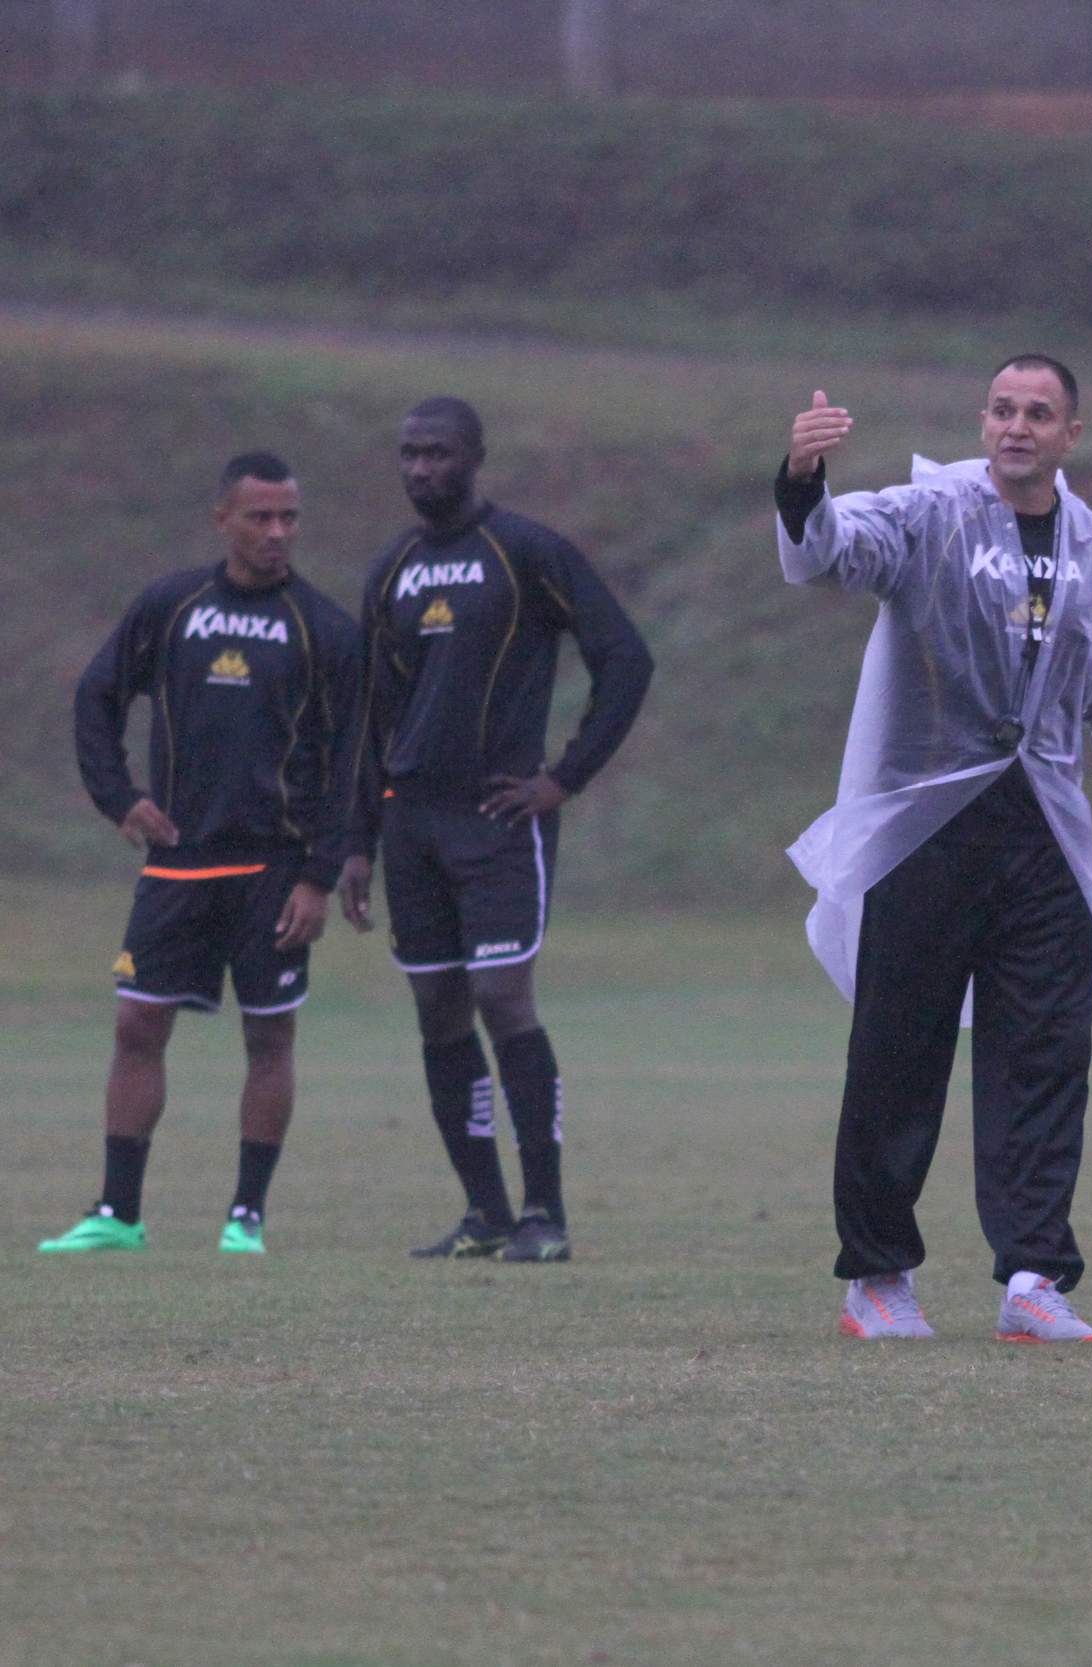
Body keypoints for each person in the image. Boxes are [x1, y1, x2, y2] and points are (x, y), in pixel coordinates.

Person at [776, 354, 1092, 1344]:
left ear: (1070, 435)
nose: (1017, 426)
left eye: (1039, 413)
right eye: (1003, 409)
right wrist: (801, 481)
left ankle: (1034, 1276)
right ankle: (877, 1275)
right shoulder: (929, 514)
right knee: (897, 1056)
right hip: (925, 828)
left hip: (1045, 833)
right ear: (982, 422)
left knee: (1045, 1056)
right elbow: (833, 552)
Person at [337, 397, 653, 1265]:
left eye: (437, 453)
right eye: (409, 454)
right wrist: (355, 840)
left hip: (498, 816)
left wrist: (563, 778)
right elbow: (371, 714)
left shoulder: (526, 552)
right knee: (438, 1008)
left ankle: (545, 1212)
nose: (420, 469)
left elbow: (625, 657)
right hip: (412, 824)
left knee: (502, 995)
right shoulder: (391, 570)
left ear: (475, 456)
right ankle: (484, 1212)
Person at [45, 452, 360, 1255]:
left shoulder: (324, 628)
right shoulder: (172, 606)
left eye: (289, 516)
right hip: (179, 860)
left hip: (275, 869)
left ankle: (245, 1217)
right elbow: (96, 695)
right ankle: (118, 1213)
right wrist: (118, 796)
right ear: (223, 519)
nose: (277, 531)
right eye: (261, 516)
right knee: (137, 1025)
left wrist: (319, 877)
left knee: (270, 1038)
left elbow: (351, 761)